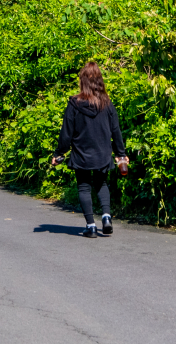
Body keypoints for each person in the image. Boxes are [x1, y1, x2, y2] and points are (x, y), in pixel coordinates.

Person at [52, 62, 127, 238]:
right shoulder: (107, 104)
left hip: (81, 153)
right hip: (102, 152)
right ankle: (106, 218)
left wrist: (59, 153)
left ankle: (91, 226)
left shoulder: (74, 103)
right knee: (102, 184)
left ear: (82, 82)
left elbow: (66, 132)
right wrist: (121, 154)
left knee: (84, 187)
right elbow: (116, 130)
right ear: (100, 81)